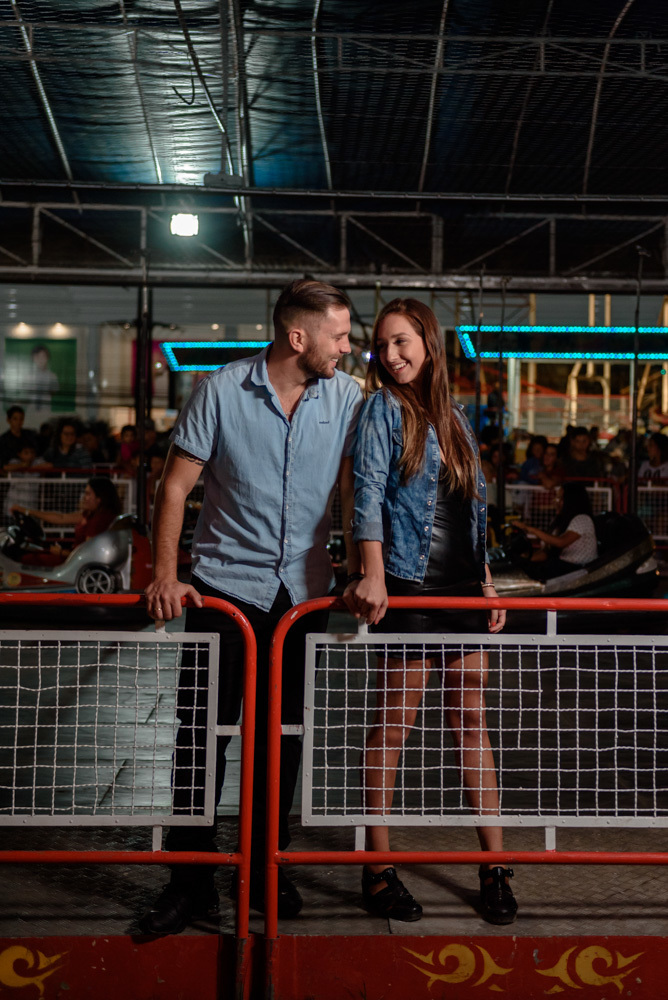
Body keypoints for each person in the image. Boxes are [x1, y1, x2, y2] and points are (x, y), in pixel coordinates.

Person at [140, 279, 363, 935]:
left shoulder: (348, 399)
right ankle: (189, 880)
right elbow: (175, 488)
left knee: (285, 737)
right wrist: (164, 574)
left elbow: (359, 489)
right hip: (225, 595)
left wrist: (363, 566)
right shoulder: (219, 390)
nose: (348, 349)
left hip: (304, 598)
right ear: (299, 337)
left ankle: (266, 866)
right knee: (200, 736)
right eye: (340, 336)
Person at [346, 298, 517, 927]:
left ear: (428, 341)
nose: (391, 356)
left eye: (402, 342)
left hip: (462, 587)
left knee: (472, 722)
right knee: (395, 725)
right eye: (382, 346)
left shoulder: (456, 416)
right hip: (409, 586)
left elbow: (473, 507)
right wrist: (371, 573)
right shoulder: (380, 409)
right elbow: (367, 491)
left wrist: (488, 583)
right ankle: (378, 870)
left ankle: (495, 865)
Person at [11, 476, 121, 559]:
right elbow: (61, 518)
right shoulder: (92, 515)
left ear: (99, 498)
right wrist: (26, 511)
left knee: (25, 558)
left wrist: (60, 553)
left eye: (88, 494)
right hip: (71, 558)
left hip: (73, 564)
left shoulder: (99, 520)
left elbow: (89, 554)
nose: (84, 498)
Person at [514, 482, 597, 581]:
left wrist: (530, 529)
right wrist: (523, 558)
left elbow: (560, 542)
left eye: (559, 498)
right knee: (523, 569)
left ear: (571, 501)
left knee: (544, 570)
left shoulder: (583, 519)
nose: (555, 501)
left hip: (580, 569)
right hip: (561, 566)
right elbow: (547, 553)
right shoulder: (560, 521)